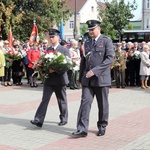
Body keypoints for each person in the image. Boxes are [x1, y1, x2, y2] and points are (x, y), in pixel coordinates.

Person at [72, 20, 114, 137]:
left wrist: (95, 71)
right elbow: (83, 62)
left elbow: (109, 59)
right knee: (85, 103)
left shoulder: (106, 41)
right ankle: (82, 129)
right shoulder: (86, 43)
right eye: (89, 30)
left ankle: (102, 126)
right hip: (87, 80)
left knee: (102, 104)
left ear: (98, 29)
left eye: (92, 29)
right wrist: (80, 78)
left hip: (101, 79)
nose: (90, 32)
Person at [30, 28, 71, 127]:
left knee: (61, 100)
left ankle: (64, 118)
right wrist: (42, 70)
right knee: (45, 99)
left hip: (60, 79)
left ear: (58, 38)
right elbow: (43, 63)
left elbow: (68, 65)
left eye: (53, 37)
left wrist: (56, 70)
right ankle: (38, 119)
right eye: (50, 37)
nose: (51, 39)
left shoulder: (64, 50)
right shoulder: (47, 50)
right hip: (49, 80)